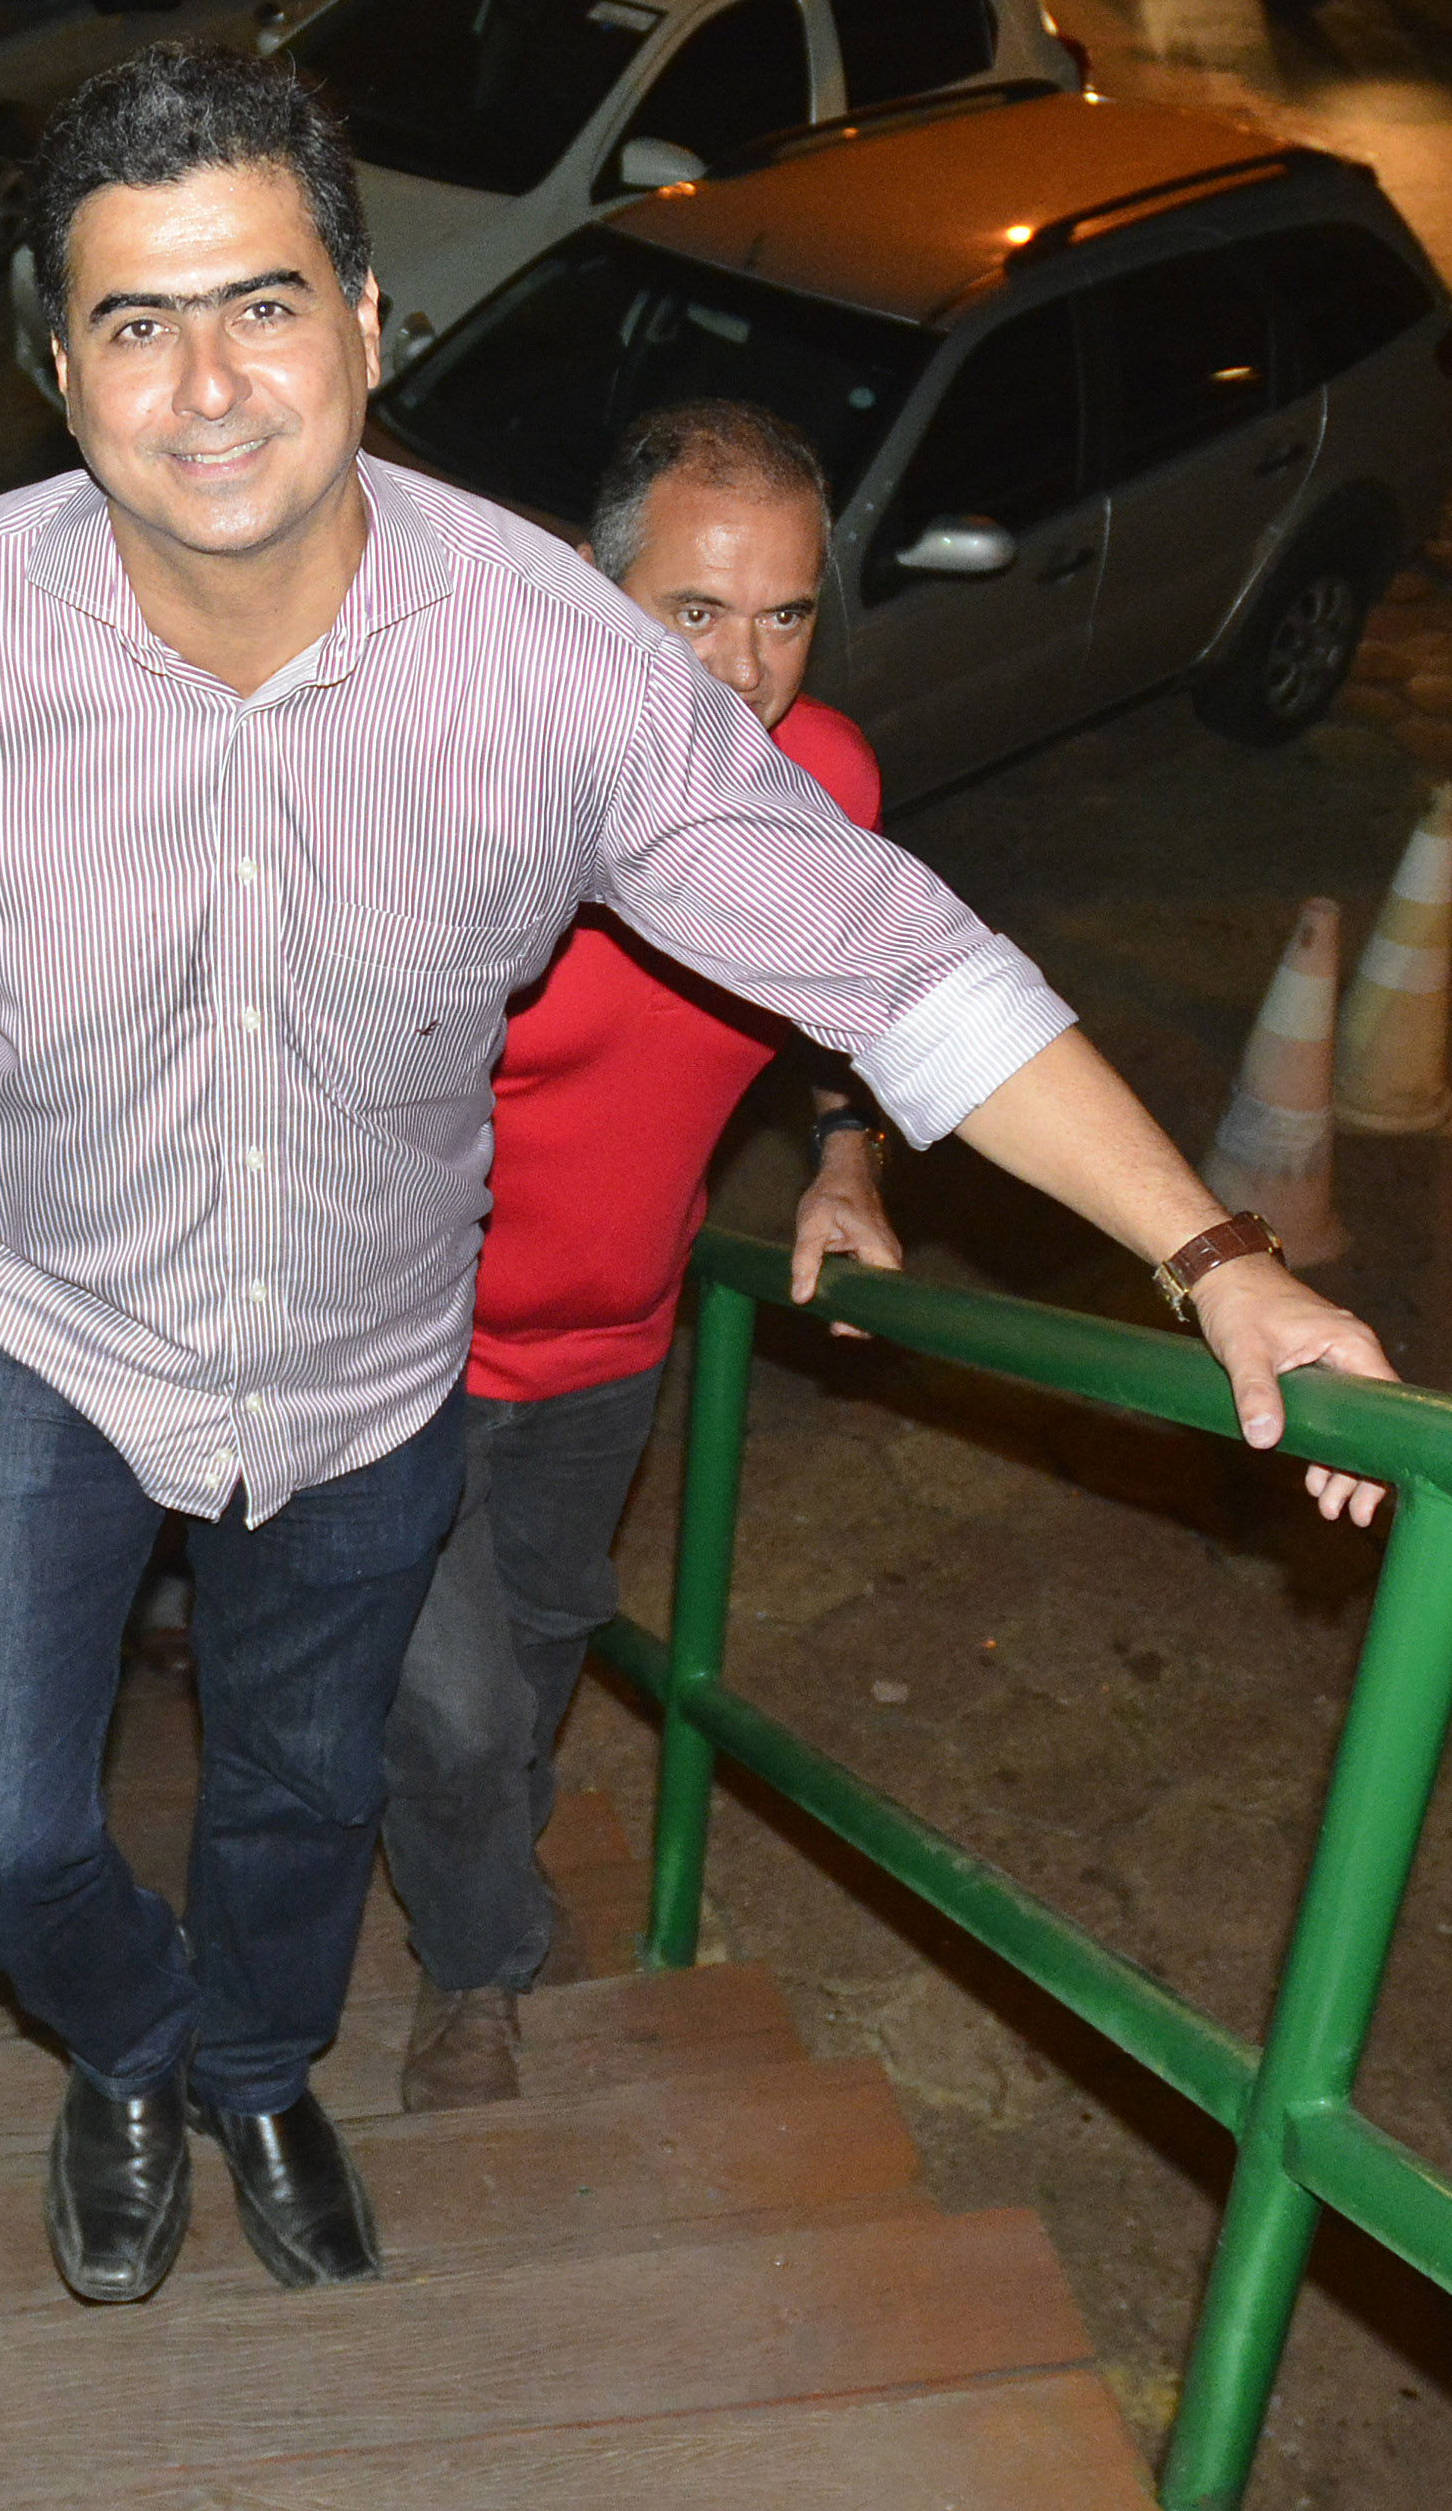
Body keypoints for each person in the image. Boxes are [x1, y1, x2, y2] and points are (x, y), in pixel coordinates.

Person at [0, 40, 1392, 2311]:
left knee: (301, 1790)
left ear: (361, 323)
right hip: (26, 1324)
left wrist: (1212, 1253)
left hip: (362, 1363)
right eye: (135, 323)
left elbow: (901, 964)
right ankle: (129, 2040)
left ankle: (255, 2073)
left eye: (261, 305)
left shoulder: (552, 663)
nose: (206, 385)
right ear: (59, 371)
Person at [378, 400, 908, 2114]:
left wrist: (844, 1151)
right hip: (400, 1360)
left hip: (615, 1347)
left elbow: (856, 987)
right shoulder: (475, 797)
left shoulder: (824, 782)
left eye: (786, 614)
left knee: (537, 1657)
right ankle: (478, 1967)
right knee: (458, 1709)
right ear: (594, 601)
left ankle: (456, 1855)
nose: (746, 673)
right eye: (696, 612)